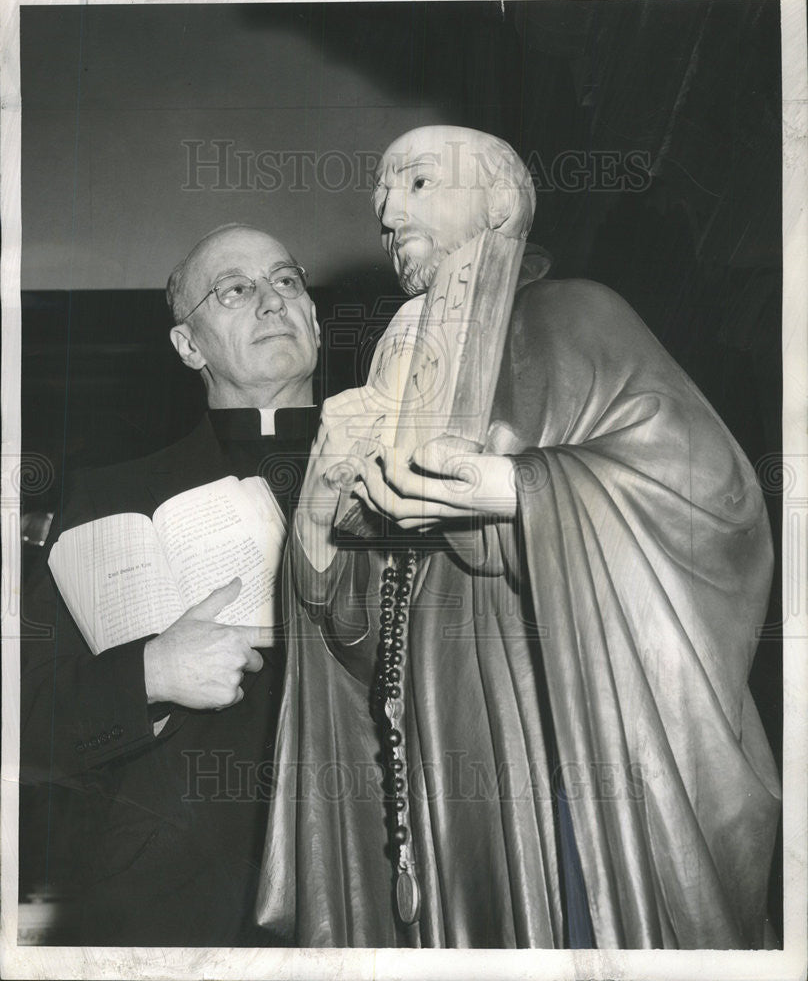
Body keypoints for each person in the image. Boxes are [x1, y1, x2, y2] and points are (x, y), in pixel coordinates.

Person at [256, 127, 781, 949]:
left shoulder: (578, 315)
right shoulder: (398, 366)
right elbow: (373, 638)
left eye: (418, 183)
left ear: (500, 200)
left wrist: (521, 489)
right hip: (441, 769)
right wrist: (319, 526)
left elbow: (711, 501)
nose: (388, 215)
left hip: (561, 745)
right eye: (382, 201)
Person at [21, 224, 321, 945]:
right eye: (236, 289)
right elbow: (25, 716)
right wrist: (150, 671)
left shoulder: (402, 476)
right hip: (187, 905)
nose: (272, 301)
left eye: (286, 280)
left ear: (313, 316)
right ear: (188, 346)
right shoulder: (111, 503)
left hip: (382, 879)